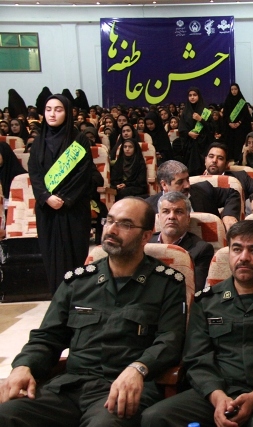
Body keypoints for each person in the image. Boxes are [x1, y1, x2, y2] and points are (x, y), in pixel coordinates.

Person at [0, 197, 186, 427]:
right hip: (69, 387)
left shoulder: (166, 283)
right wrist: (23, 366)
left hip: (123, 388)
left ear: (146, 236)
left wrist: (138, 368)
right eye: (110, 221)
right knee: (6, 413)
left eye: (125, 224)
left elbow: (170, 340)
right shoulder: (78, 282)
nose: (112, 230)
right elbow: (48, 336)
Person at [140, 220, 253, 427]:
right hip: (217, 392)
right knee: (155, 417)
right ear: (229, 254)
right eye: (237, 249)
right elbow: (197, 358)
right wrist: (217, 397)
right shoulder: (206, 300)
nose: (244, 257)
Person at [28, 94, 93, 292]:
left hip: (73, 208)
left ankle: (77, 298)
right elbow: (35, 174)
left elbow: (83, 174)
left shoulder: (79, 140)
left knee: (75, 255)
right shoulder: (38, 142)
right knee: (51, 256)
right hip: (47, 210)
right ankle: (57, 299)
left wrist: (64, 198)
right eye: (48, 110)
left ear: (67, 113)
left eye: (58, 110)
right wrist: (46, 197)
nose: (52, 114)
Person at [145, 160, 239, 231]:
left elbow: (232, 194)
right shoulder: (148, 207)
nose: (187, 185)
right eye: (180, 182)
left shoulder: (204, 189)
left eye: (187, 179)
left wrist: (229, 215)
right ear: (164, 185)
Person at [150, 191, 214, 292]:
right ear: (158, 218)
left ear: (188, 219)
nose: (171, 216)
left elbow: (193, 289)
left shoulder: (201, 249)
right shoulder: (145, 243)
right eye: (166, 211)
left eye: (178, 212)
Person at [176, 87, 213, 175]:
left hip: (203, 145)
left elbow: (212, 128)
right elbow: (181, 128)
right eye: (190, 95)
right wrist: (189, 133)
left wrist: (201, 119)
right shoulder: (185, 112)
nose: (192, 97)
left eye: (194, 95)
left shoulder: (205, 111)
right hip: (190, 146)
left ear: (199, 96)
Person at [222, 83, 253, 163]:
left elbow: (245, 115)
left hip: (241, 127)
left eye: (235, 89)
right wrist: (230, 123)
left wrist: (239, 123)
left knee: (239, 143)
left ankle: (240, 160)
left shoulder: (242, 102)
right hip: (230, 128)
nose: (234, 91)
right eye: (232, 89)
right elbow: (225, 115)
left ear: (238, 90)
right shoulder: (227, 101)